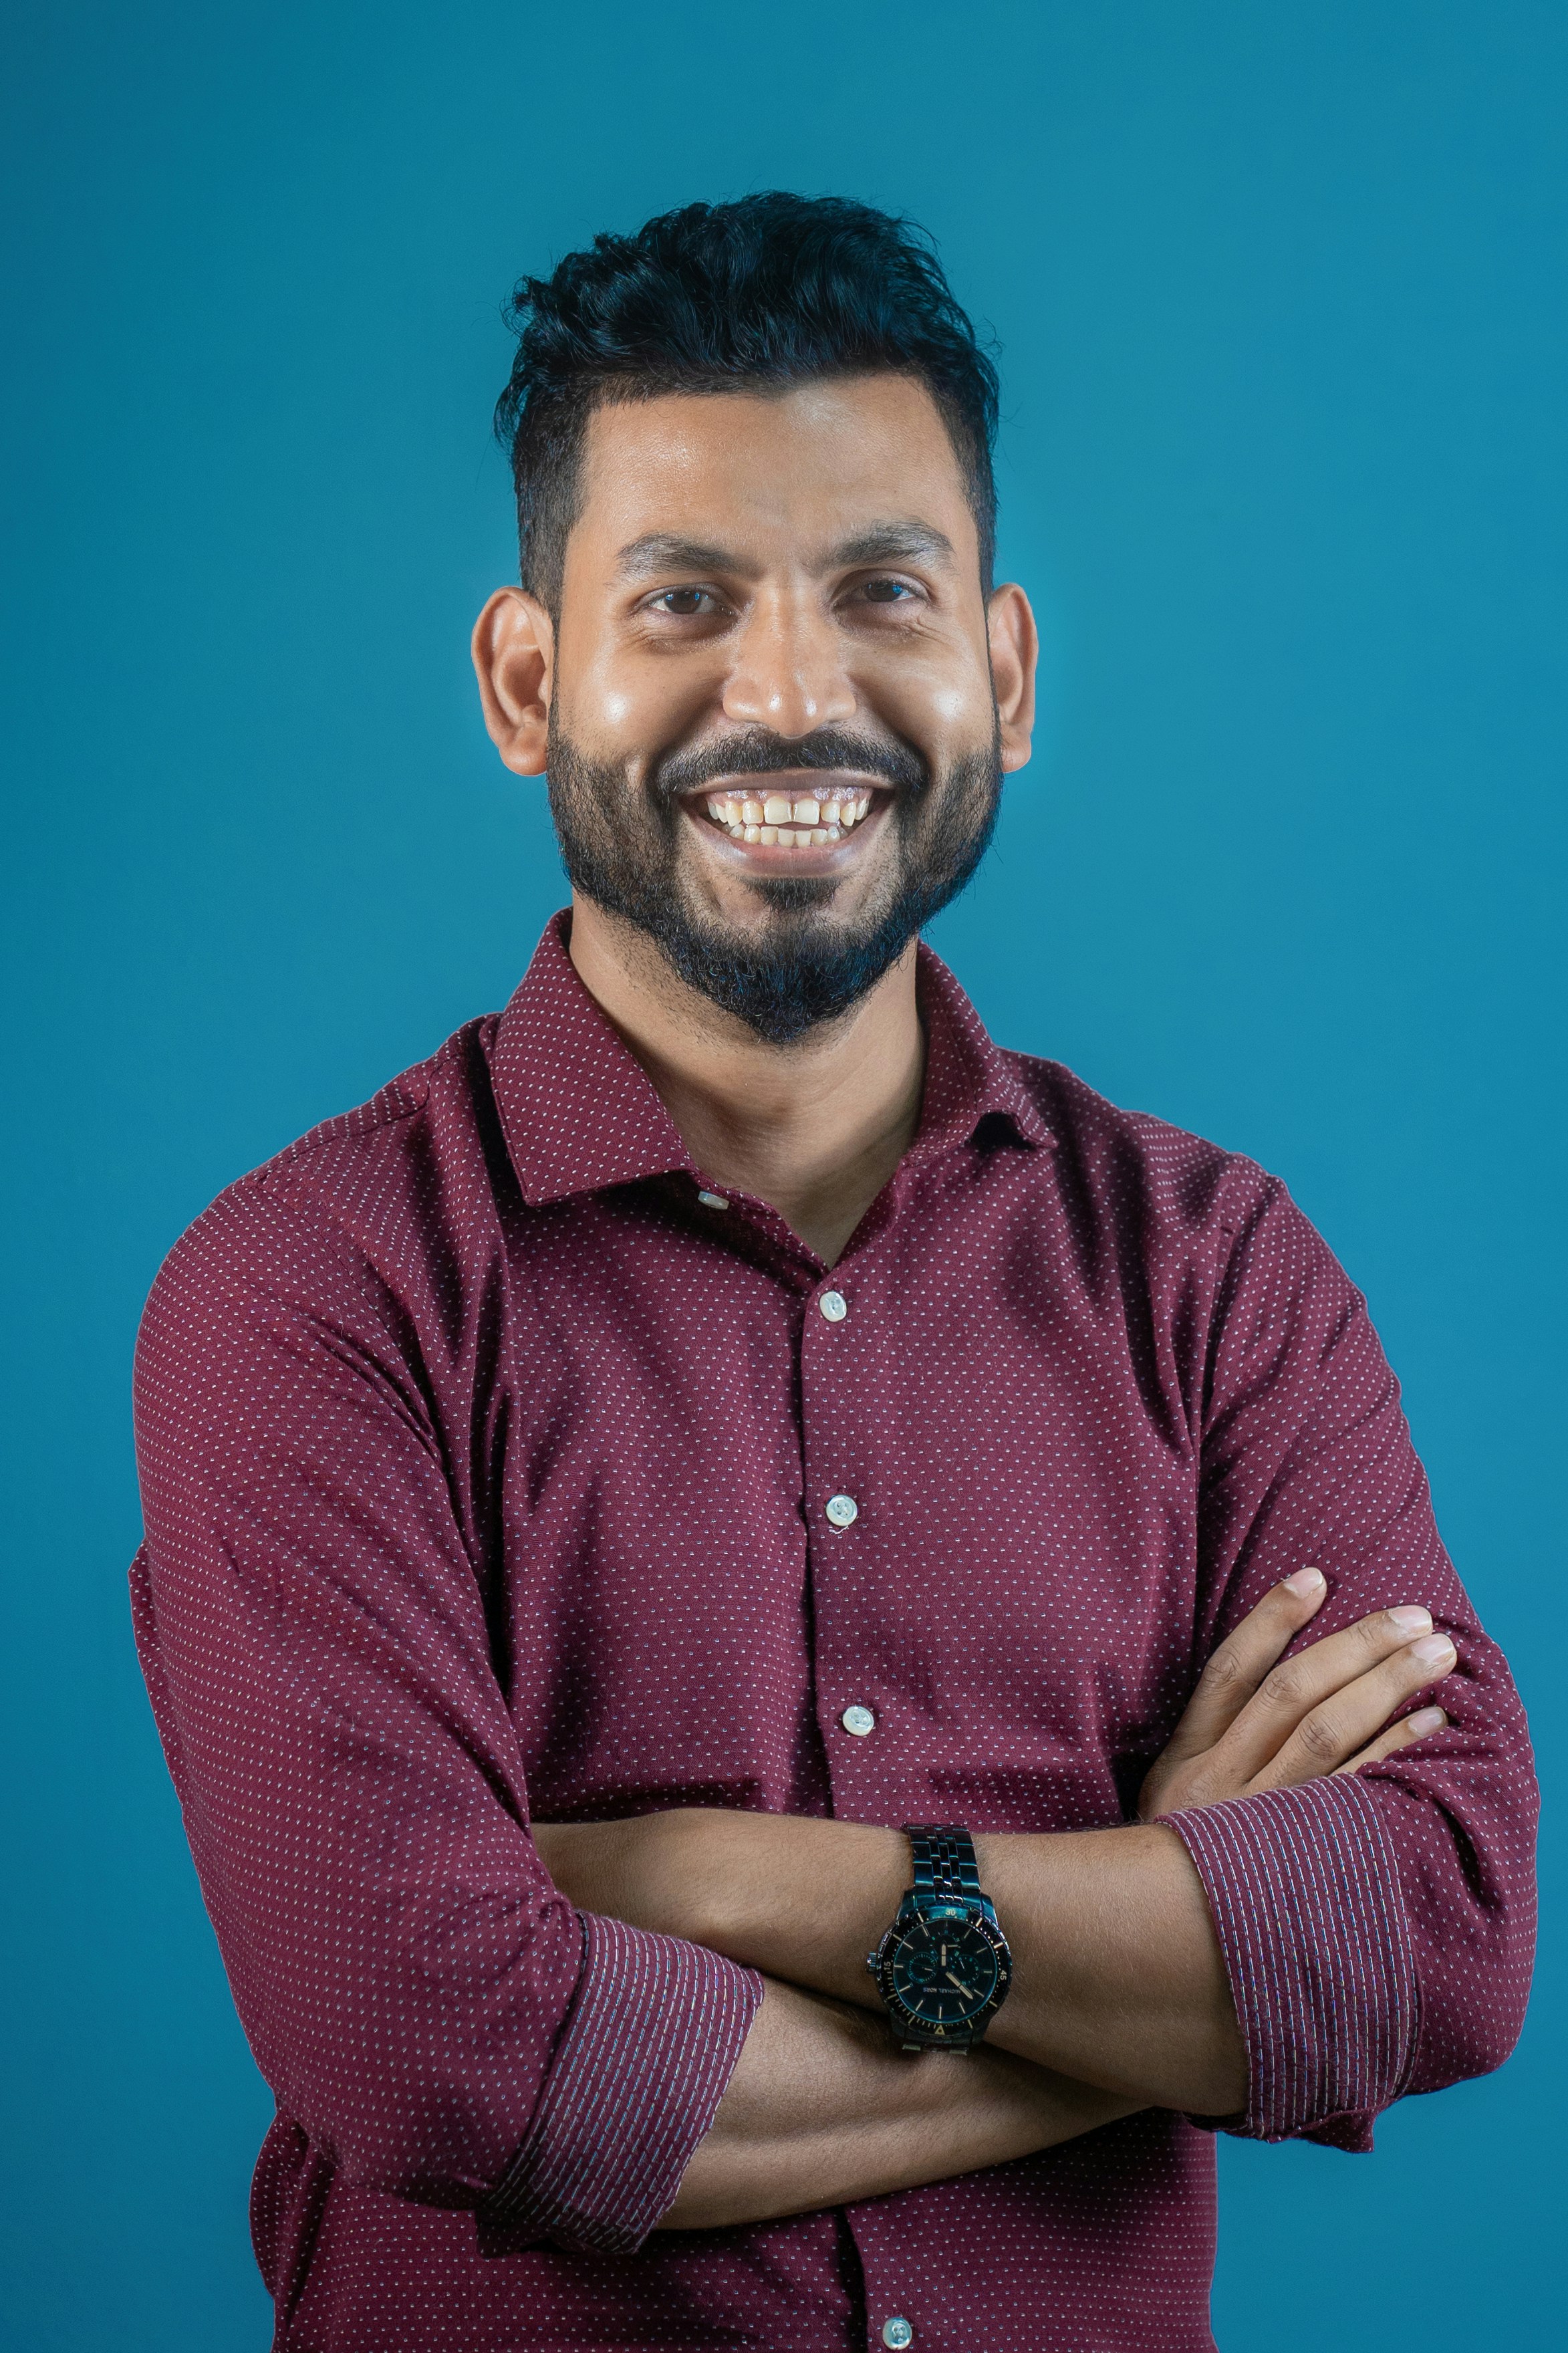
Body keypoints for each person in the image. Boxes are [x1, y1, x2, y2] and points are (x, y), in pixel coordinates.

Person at [132, 194, 1537, 2353]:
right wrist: (1160, 1957)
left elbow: (1438, 1938)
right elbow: (431, 2052)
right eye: (681, 597)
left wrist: (702, 1880)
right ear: (528, 683)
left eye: (881, 589)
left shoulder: (1219, 1277)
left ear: (1003, 670)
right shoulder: (307, 1298)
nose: (789, 692)